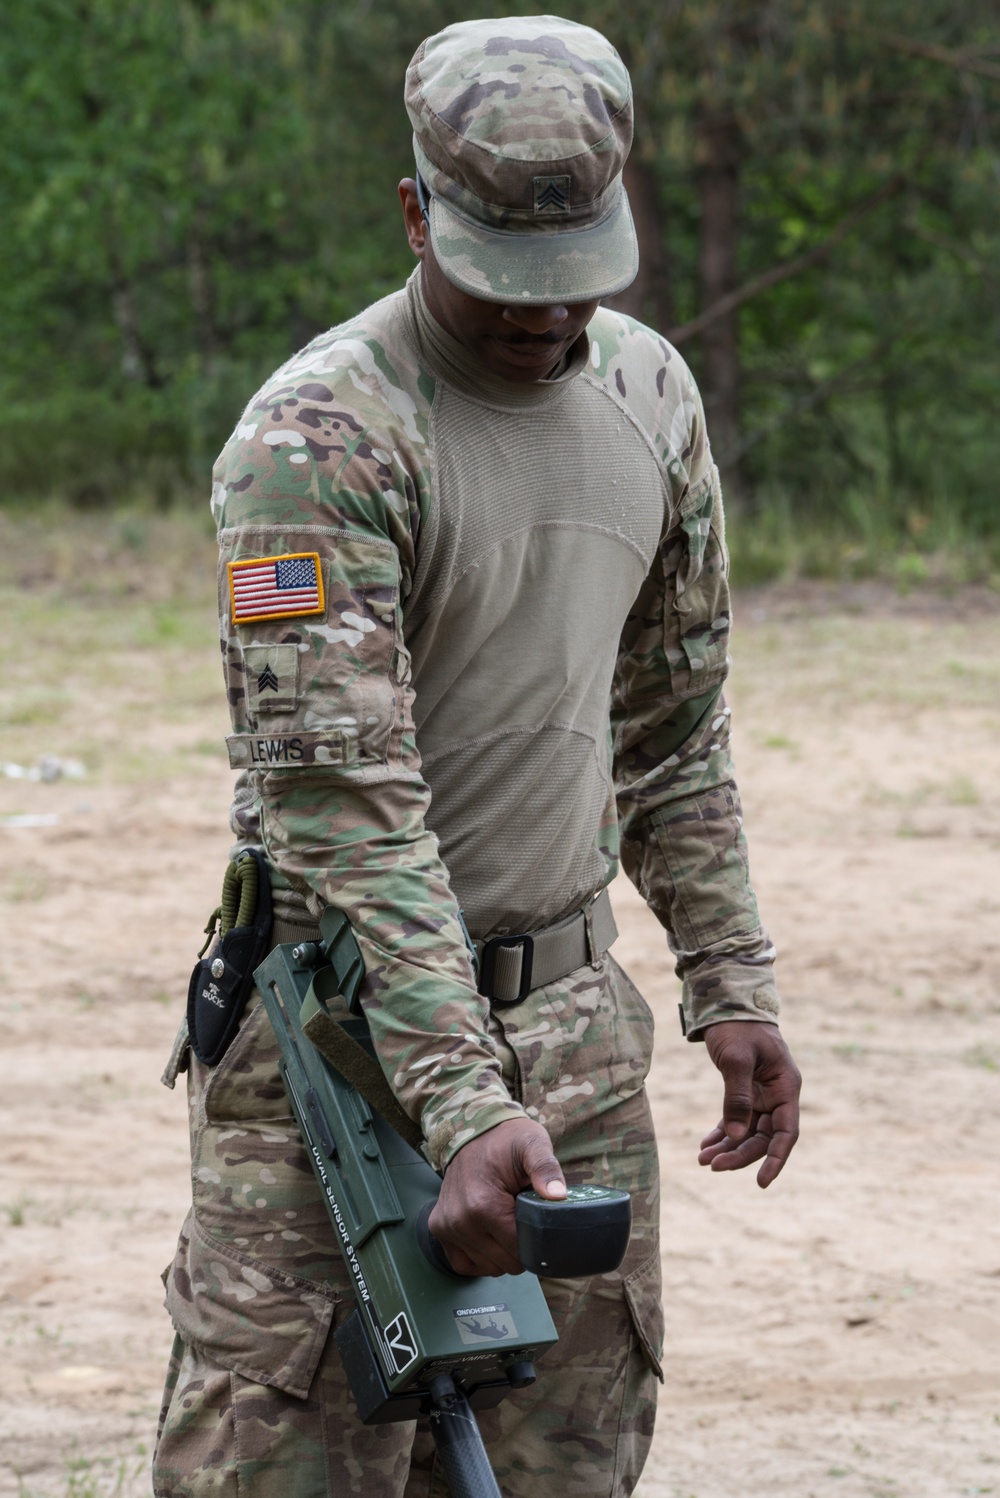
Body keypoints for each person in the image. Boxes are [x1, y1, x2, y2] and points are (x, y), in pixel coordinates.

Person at [153, 15, 801, 1498]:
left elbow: (674, 723)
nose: (544, 318)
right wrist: (463, 1102)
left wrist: (731, 978)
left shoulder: (648, 398)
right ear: (412, 215)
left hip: (573, 1038)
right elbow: (352, 814)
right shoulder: (320, 441)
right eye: (505, 274)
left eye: (575, 275)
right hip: (339, 1050)